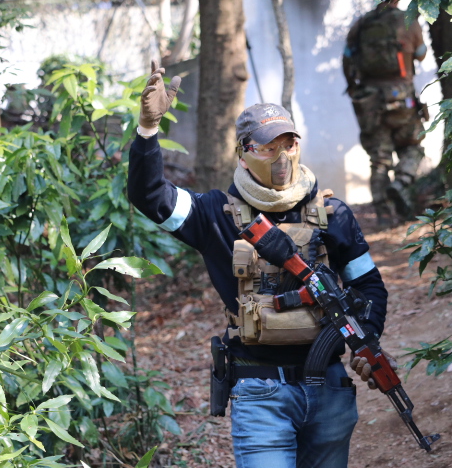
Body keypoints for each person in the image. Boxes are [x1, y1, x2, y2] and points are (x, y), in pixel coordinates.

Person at [128, 61, 390, 468]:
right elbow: (150, 196)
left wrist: (366, 338)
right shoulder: (214, 214)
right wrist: (148, 129)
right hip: (260, 394)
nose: (281, 157)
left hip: (330, 389)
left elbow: (369, 286)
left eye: (289, 144)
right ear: (244, 155)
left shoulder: (333, 213)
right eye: (268, 148)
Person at [342, 0, 429, 226]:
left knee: (379, 160)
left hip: (369, 100)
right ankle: (401, 182)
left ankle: (383, 215)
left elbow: (347, 58)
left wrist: (353, 87)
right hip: (402, 99)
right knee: (412, 147)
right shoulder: (408, 20)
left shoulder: (361, 25)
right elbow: (421, 54)